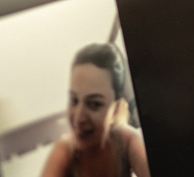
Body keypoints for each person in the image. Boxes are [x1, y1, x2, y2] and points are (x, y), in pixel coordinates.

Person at [41, 43, 150, 177]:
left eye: (94, 104)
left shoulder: (126, 140)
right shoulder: (64, 153)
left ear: (115, 109)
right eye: (74, 100)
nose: (79, 118)